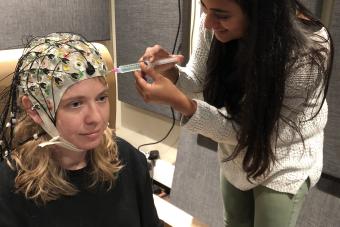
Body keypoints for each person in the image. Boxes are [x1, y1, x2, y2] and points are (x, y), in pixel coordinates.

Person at [134, 0, 333, 226]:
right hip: (236, 154)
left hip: (282, 159)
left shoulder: (308, 50)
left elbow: (250, 132)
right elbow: (199, 82)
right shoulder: (214, 21)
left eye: (221, 15)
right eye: (204, 8)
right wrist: (171, 72)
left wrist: (184, 105)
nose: (208, 22)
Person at [0, 33, 163, 227]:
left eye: (101, 98)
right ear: (34, 109)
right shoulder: (9, 187)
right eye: (76, 104)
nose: (96, 118)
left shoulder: (130, 161)